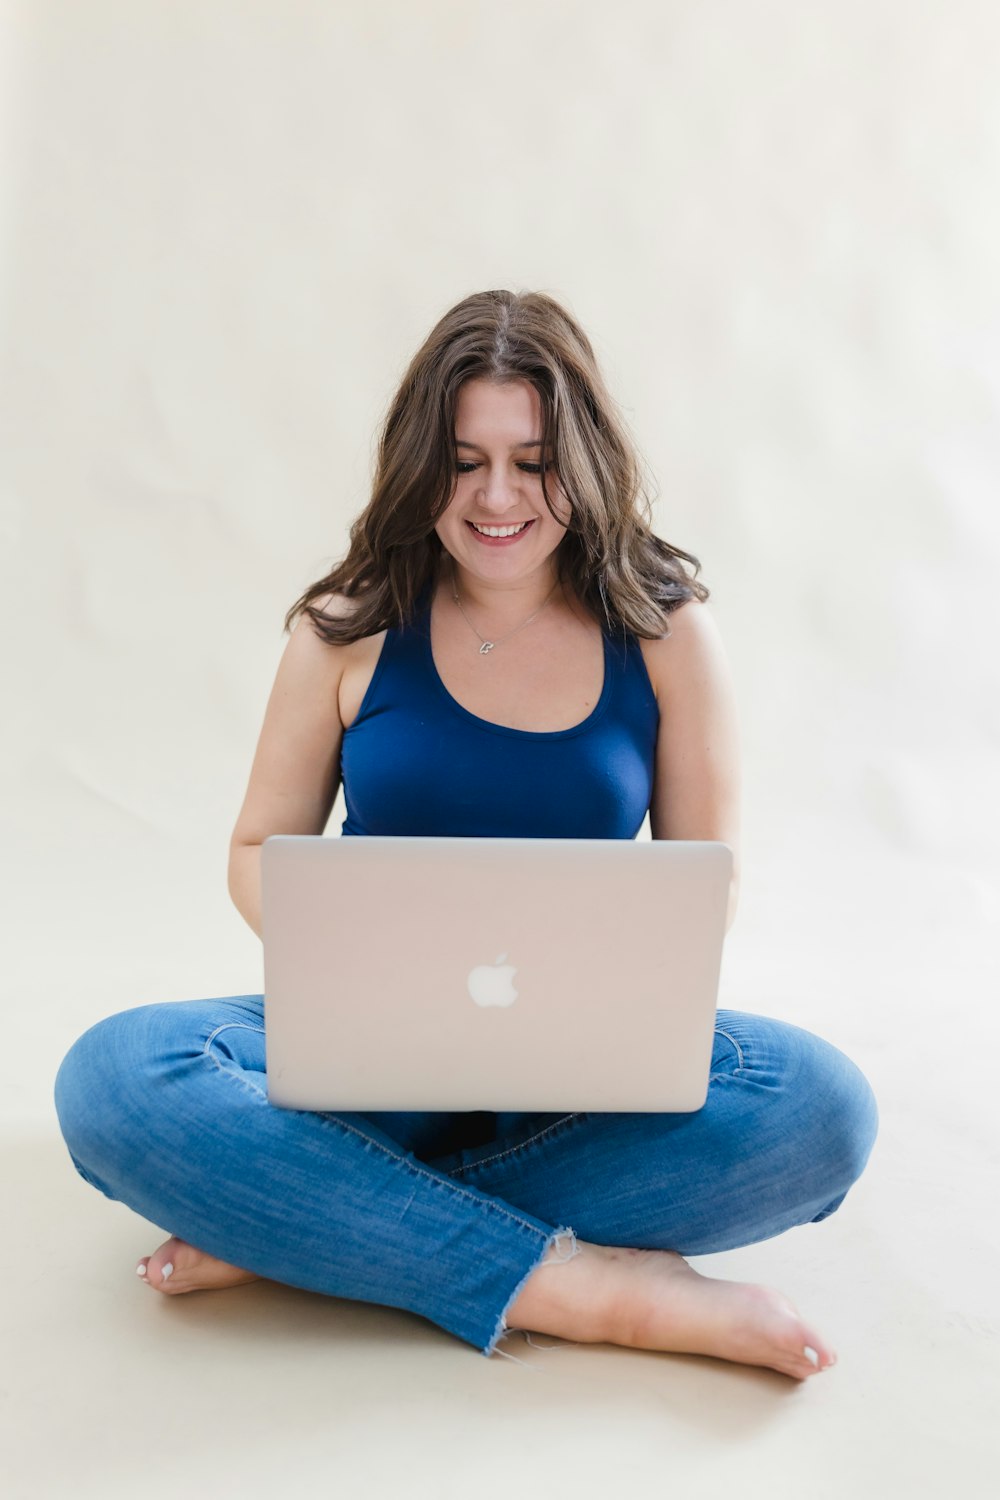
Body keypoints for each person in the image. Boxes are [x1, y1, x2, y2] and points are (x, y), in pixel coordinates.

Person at [53, 289, 878, 1380]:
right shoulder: (345, 626)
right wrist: (366, 953)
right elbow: (257, 849)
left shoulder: (667, 631)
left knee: (819, 1108)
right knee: (116, 1076)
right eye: (463, 459)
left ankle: (308, 1227)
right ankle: (594, 1293)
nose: (498, 497)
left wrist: (595, 969)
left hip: (581, 1068)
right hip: (368, 1061)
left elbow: (704, 886)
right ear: (419, 465)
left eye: (533, 461)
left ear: (581, 462)